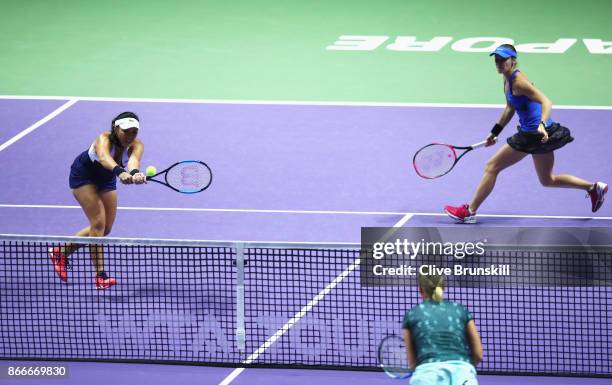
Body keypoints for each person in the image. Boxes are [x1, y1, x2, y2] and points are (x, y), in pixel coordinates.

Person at [444, 44, 607, 223]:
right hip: (539, 135)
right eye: (496, 59)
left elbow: (546, 101)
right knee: (547, 180)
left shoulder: (518, 82)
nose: (499, 63)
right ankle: (593, 188)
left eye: (503, 59)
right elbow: (510, 107)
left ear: (513, 60)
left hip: (535, 134)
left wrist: (542, 125)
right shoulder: (507, 79)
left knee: (492, 167)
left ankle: (470, 212)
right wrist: (495, 132)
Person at [49, 112, 146, 289]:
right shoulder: (104, 138)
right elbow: (104, 157)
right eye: (126, 131)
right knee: (98, 223)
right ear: (116, 128)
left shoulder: (137, 145)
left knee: (105, 229)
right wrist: (120, 172)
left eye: (134, 131)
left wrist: (134, 174)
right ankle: (100, 275)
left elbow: (133, 162)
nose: (130, 135)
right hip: (83, 176)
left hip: (106, 180)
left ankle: (60, 252)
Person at [403, 273, 482, 385]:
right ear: (443, 288)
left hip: (426, 377)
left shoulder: (412, 314)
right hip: (464, 376)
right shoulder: (461, 310)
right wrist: (462, 368)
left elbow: (412, 363)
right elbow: (478, 355)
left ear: (421, 290)